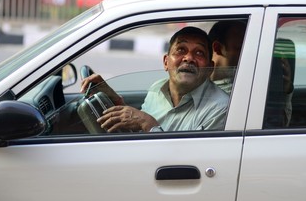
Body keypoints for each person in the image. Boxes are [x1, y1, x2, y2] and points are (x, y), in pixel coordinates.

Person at [80, 26, 229, 133]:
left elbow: (192, 163)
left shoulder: (220, 108)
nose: (189, 58)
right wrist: (117, 101)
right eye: (181, 50)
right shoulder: (157, 89)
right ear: (166, 62)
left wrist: (149, 125)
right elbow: (138, 128)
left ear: (209, 68)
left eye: (199, 53)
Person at [208, 20, 294, 126]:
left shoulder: (252, 87)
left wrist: (282, 91)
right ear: (218, 48)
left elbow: (277, 125)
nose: (250, 55)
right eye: (242, 48)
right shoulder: (197, 86)